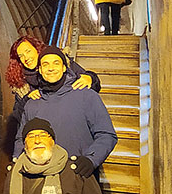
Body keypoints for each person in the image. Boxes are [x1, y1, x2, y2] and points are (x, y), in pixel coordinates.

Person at [14, 46, 117, 177]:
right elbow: (21, 138)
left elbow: (106, 134)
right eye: (45, 64)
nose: (51, 68)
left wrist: (91, 159)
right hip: (41, 178)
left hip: (78, 174)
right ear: (40, 70)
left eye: (56, 63)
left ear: (64, 68)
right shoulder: (33, 103)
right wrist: (17, 161)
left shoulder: (86, 96)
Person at [6, 36, 99, 123]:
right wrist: (28, 99)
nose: (26, 58)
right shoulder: (22, 85)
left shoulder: (60, 63)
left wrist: (90, 78)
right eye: (21, 56)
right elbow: (18, 117)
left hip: (71, 120)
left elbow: (93, 89)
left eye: (28, 51)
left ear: (36, 49)